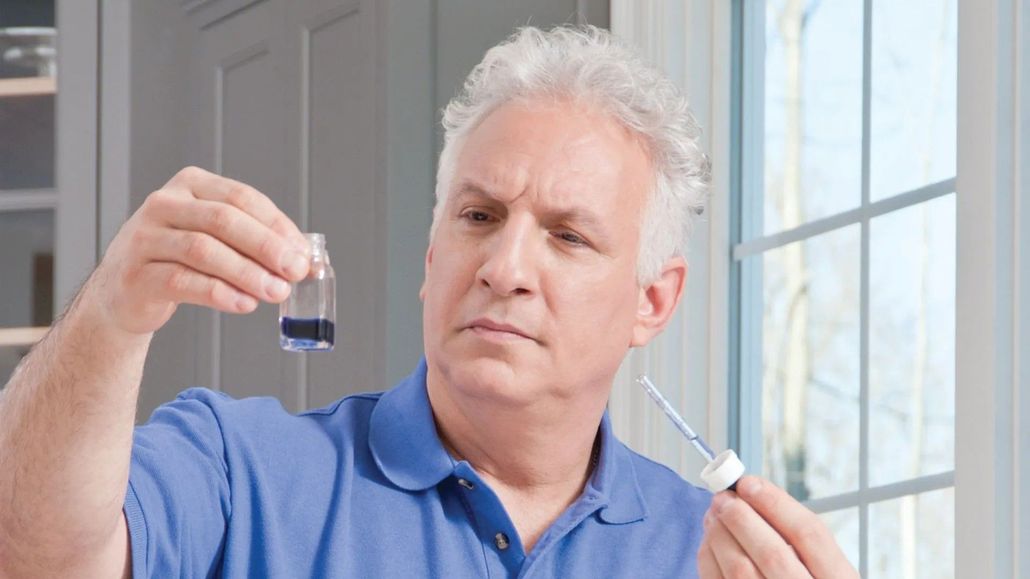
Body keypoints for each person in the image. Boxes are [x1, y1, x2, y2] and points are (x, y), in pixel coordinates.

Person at [0, 25, 857, 578]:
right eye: (479, 216)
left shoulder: (708, 552)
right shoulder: (239, 468)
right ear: (432, 253)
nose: (504, 264)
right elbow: (32, 555)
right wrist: (111, 312)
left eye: (567, 235)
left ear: (653, 300)